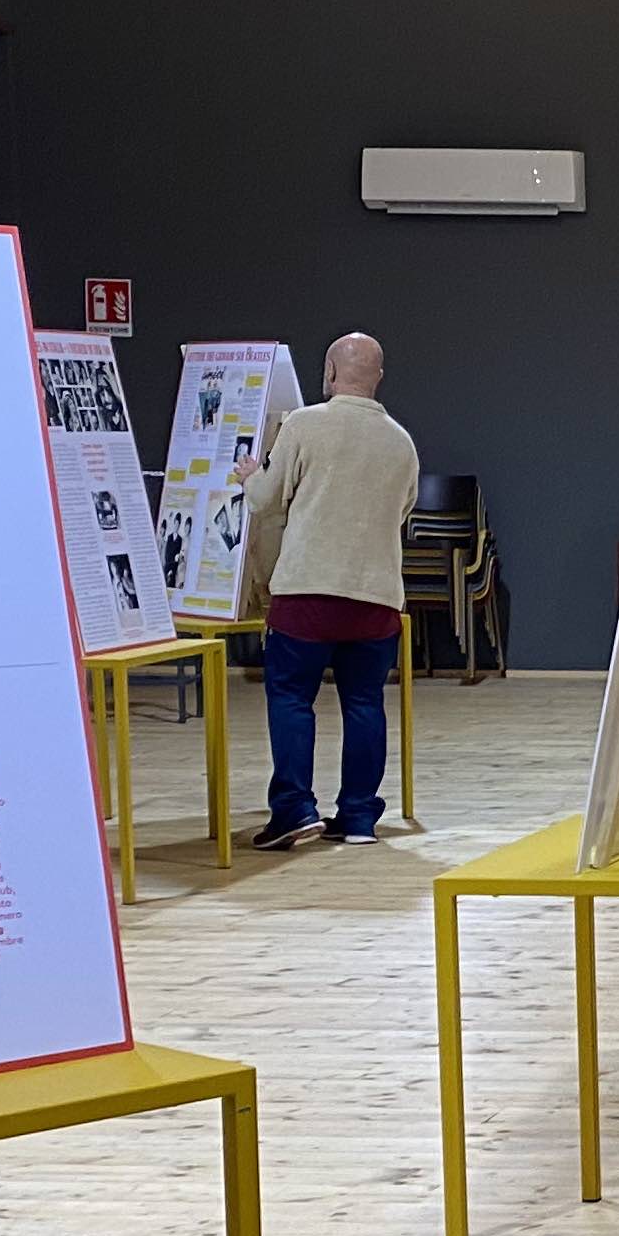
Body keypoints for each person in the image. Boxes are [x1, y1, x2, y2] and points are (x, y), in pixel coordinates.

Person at [237, 331, 422, 848]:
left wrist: (249, 476)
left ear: (330, 371)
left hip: (307, 594)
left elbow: (266, 499)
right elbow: (403, 510)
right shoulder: (402, 442)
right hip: (375, 597)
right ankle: (359, 818)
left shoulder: (304, 424)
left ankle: (294, 809)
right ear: (378, 377)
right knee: (364, 703)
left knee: (291, 697)